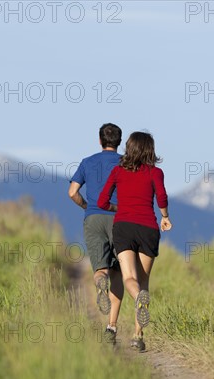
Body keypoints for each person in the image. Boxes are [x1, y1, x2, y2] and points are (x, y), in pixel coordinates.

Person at [97, 131, 172, 352]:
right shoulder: (156, 172)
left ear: (128, 148)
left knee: (129, 278)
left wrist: (119, 208)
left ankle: (137, 298)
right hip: (148, 228)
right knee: (144, 280)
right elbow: (162, 197)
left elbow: (102, 202)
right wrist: (165, 217)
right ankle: (138, 337)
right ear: (150, 149)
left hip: (123, 228)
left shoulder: (118, 171)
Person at [68, 123, 125, 344]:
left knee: (100, 269)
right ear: (119, 142)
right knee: (119, 273)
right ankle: (111, 327)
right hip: (119, 219)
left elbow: (72, 192)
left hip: (93, 217)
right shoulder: (126, 163)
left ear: (100, 141)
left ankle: (100, 281)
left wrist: (86, 207)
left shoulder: (87, 162)